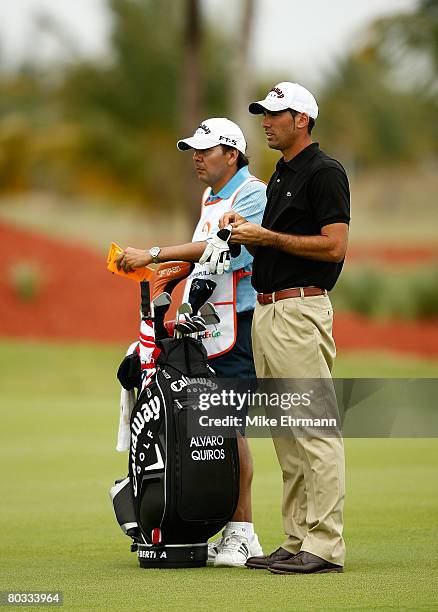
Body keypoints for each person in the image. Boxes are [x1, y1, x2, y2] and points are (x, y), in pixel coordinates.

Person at [116, 117, 267, 567]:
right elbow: (204, 255)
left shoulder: (252, 194)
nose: (197, 157)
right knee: (216, 427)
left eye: (205, 149)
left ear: (233, 153)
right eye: (193, 150)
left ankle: (243, 532)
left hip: (240, 324)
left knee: (232, 427)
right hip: (208, 328)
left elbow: (227, 250)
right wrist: (163, 281)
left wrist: (155, 253)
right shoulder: (210, 197)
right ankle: (231, 528)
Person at [219, 82, 350, 574]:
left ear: (303, 120)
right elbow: (273, 246)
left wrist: (266, 234)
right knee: (286, 435)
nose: (266, 122)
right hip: (269, 312)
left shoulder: (325, 172)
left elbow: (334, 247)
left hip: (300, 309)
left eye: (276, 114)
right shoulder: (279, 177)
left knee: (314, 430)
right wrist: (243, 234)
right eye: (264, 115)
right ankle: (296, 540)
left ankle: (324, 546)